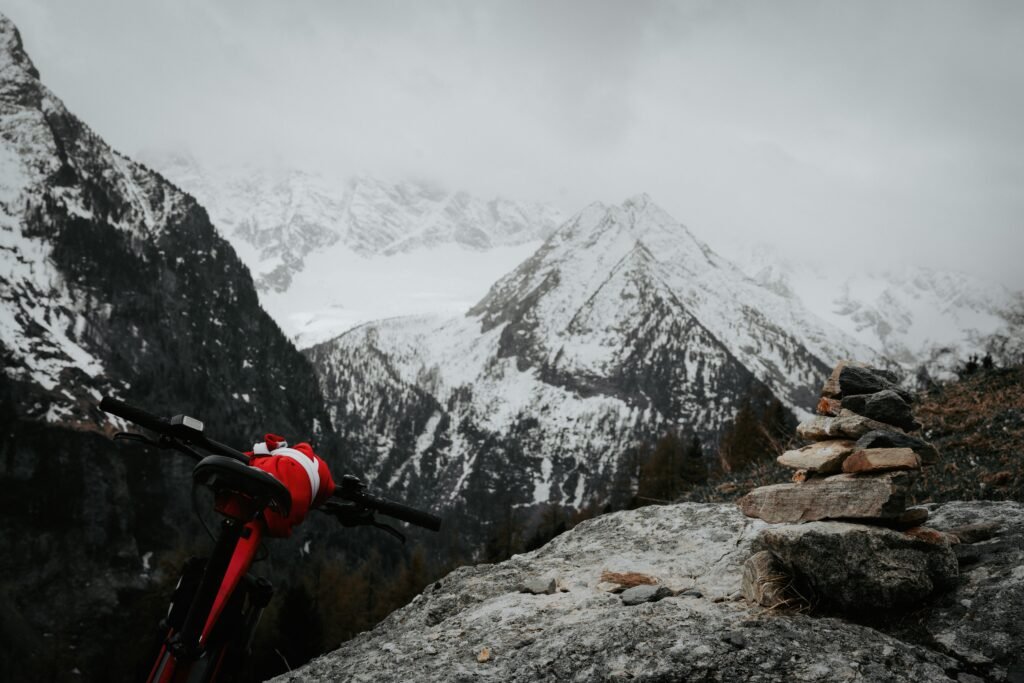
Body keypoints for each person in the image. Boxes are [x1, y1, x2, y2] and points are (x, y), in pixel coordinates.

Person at [247, 433, 335, 537]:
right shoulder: (319, 469)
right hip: (293, 498)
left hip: (269, 479)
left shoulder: (267, 455)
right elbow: (329, 488)